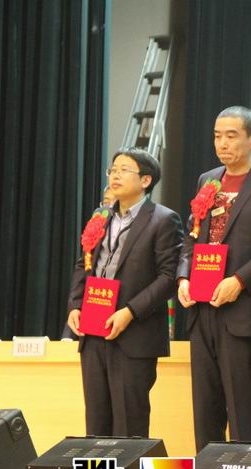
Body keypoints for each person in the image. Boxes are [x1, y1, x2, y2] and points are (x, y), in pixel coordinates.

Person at [177, 106, 251, 451]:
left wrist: (239, 281)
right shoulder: (207, 180)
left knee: (242, 409)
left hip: (242, 312)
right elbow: (192, 235)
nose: (222, 144)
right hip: (202, 308)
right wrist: (183, 278)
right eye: (217, 136)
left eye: (231, 136)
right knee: (205, 409)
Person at [67, 147, 183, 437]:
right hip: (94, 330)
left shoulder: (163, 219)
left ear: (145, 180)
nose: (115, 176)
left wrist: (130, 312)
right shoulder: (100, 216)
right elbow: (84, 263)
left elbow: (168, 278)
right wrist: (75, 305)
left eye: (124, 170)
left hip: (134, 334)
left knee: (129, 425)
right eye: (113, 170)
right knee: (96, 423)